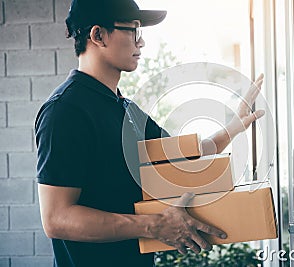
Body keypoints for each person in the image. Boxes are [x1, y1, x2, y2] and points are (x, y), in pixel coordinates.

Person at [35, 0, 265, 266]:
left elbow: (186, 156)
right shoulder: (66, 111)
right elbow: (56, 218)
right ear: (98, 35)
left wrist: (234, 126)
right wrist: (154, 226)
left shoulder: (126, 109)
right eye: (134, 31)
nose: (141, 43)